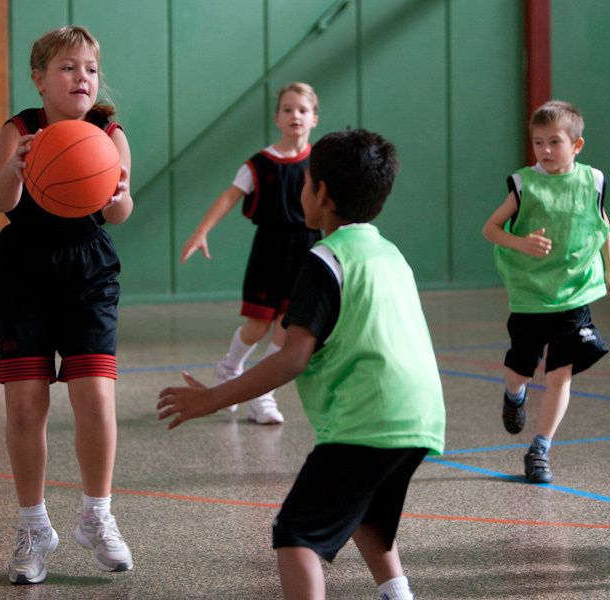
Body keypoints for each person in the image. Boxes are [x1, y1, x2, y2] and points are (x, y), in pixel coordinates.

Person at [158, 129, 446, 600]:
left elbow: (291, 359)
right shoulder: (389, 253)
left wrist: (213, 397)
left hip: (365, 421)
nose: (301, 188)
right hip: (420, 417)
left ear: (322, 194)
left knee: (296, 534)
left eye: (306, 180)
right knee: (364, 513)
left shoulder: (324, 259)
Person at [0, 26, 134, 584]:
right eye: (68, 68)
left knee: (96, 396)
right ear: (40, 79)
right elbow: (1, 200)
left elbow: (121, 213)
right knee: (25, 406)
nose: (82, 78)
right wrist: (16, 169)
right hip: (24, 267)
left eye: (90, 69)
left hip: (89, 268)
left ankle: (97, 516)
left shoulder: (109, 131)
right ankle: (32, 526)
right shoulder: (21, 129)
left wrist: (117, 194)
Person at [482, 100, 610, 484]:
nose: (545, 150)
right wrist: (520, 242)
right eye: (538, 142)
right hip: (531, 293)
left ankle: (540, 448)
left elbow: (602, 222)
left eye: (554, 142)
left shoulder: (592, 180)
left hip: (574, 292)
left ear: (576, 145)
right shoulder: (525, 183)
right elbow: (491, 229)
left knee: (561, 373)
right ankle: (514, 395)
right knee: (519, 369)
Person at [178, 82, 322, 424]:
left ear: (314, 118)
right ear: (277, 118)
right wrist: (201, 231)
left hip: (308, 250)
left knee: (287, 329)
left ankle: (263, 395)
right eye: (287, 109)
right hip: (271, 249)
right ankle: (229, 367)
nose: (295, 116)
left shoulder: (319, 163)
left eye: (302, 110)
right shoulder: (260, 163)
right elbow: (229, 196)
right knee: (258, 325)